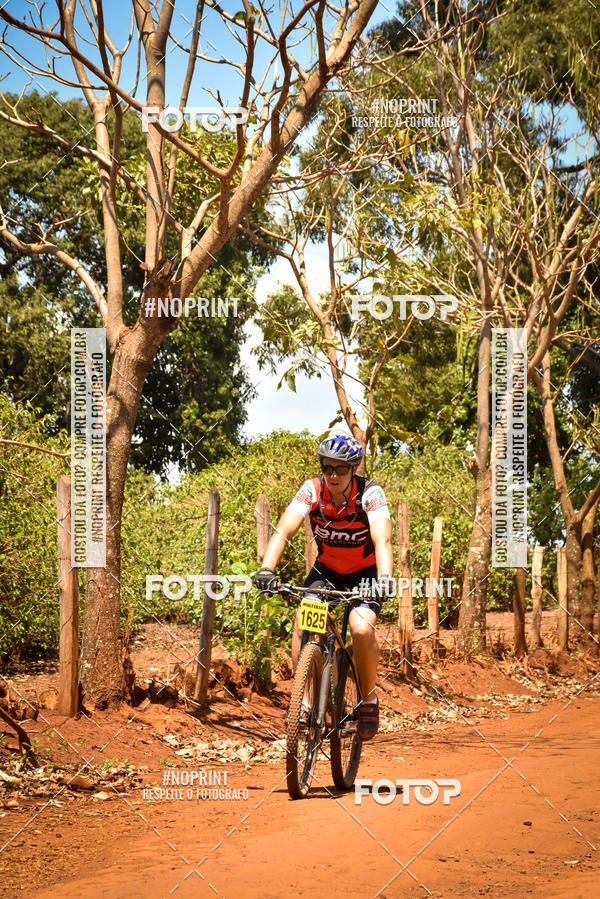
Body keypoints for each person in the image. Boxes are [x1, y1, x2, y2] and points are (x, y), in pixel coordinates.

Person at [253, 433, 393, 740]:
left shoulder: (370, 494)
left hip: (366, 574)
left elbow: (382, 539)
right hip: (327, 570)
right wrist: (267, 569)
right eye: (328, 468)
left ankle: (368, 699)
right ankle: (302, 702)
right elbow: (284, 530)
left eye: (341, 470)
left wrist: (383, 580)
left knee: (359, 628)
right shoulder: (312, 489)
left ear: (353, 470)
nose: (333, 475)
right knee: (305, 624)